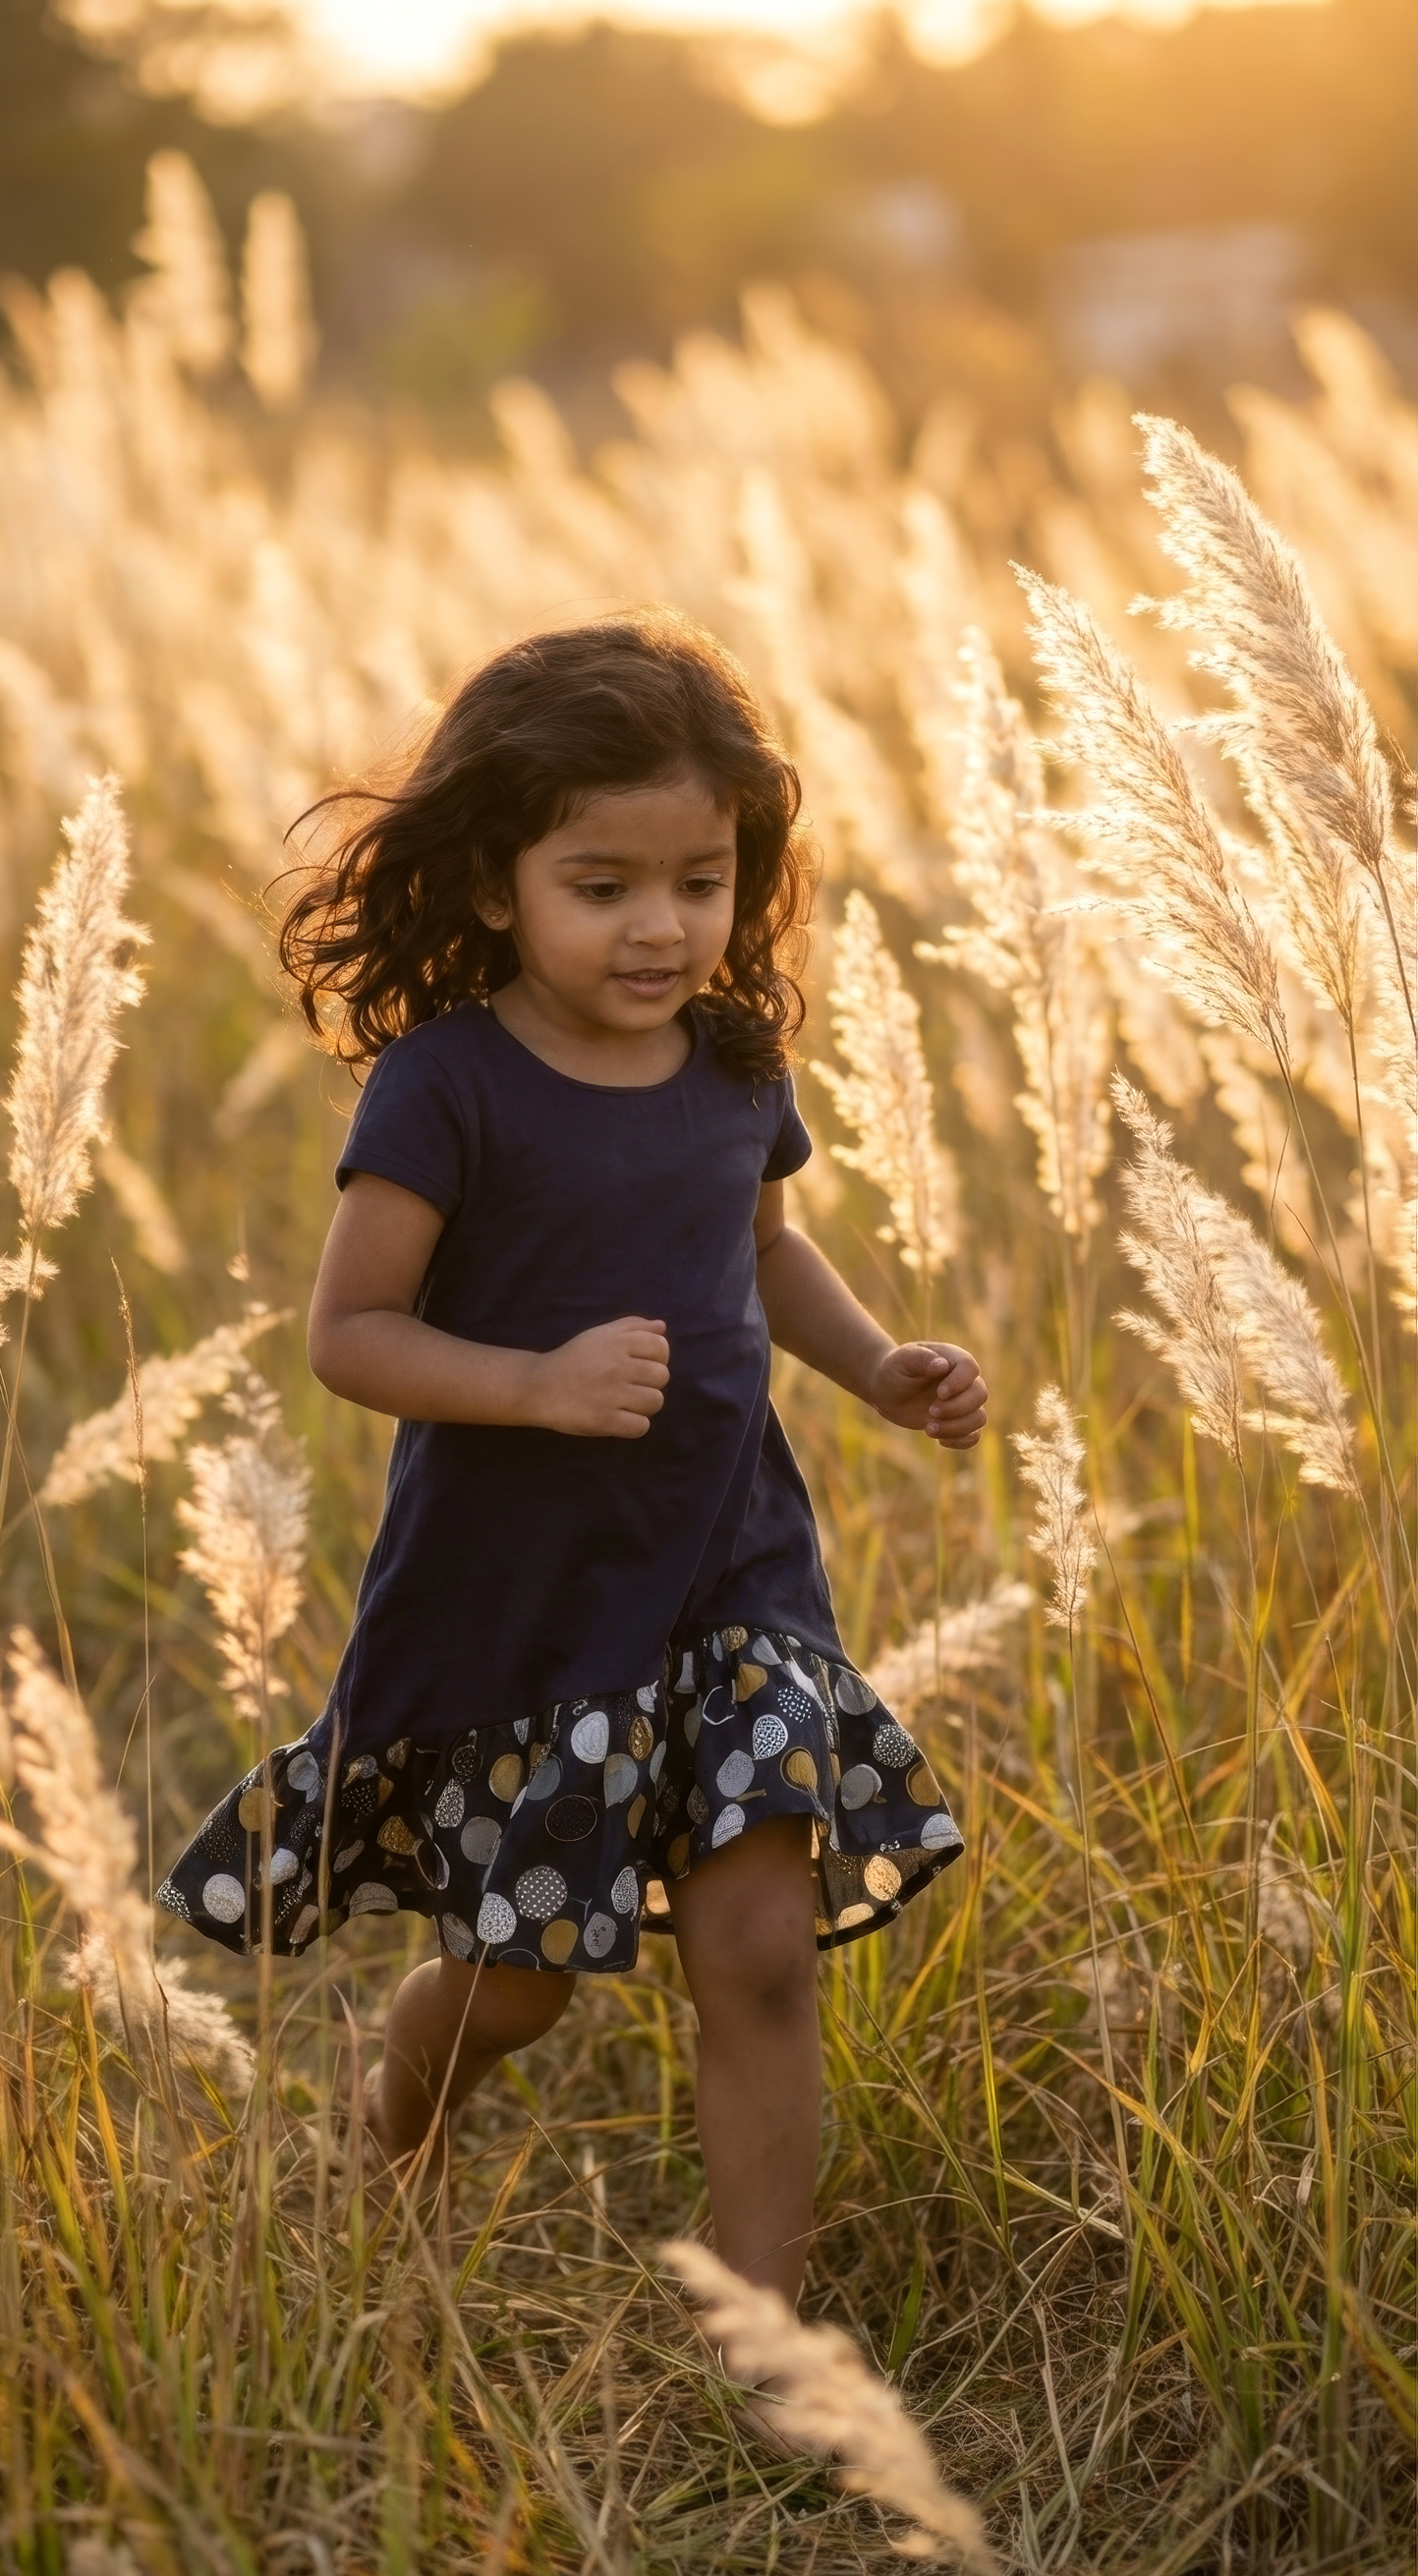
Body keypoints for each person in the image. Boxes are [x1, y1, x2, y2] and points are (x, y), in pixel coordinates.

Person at [160, 612, 987, 2307]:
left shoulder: (739, 1061)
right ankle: (400, 2119)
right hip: (528, 1599)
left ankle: (771, 2334)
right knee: (518, 1974)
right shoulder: (446, 1084)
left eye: (701, 878)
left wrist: (881, 1365)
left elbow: (760, 1254)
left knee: (758, 1944)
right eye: (601, 884)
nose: (662, 925)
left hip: (733, 1571)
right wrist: (535, 1384)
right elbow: (353, 1335)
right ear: (493, 887)